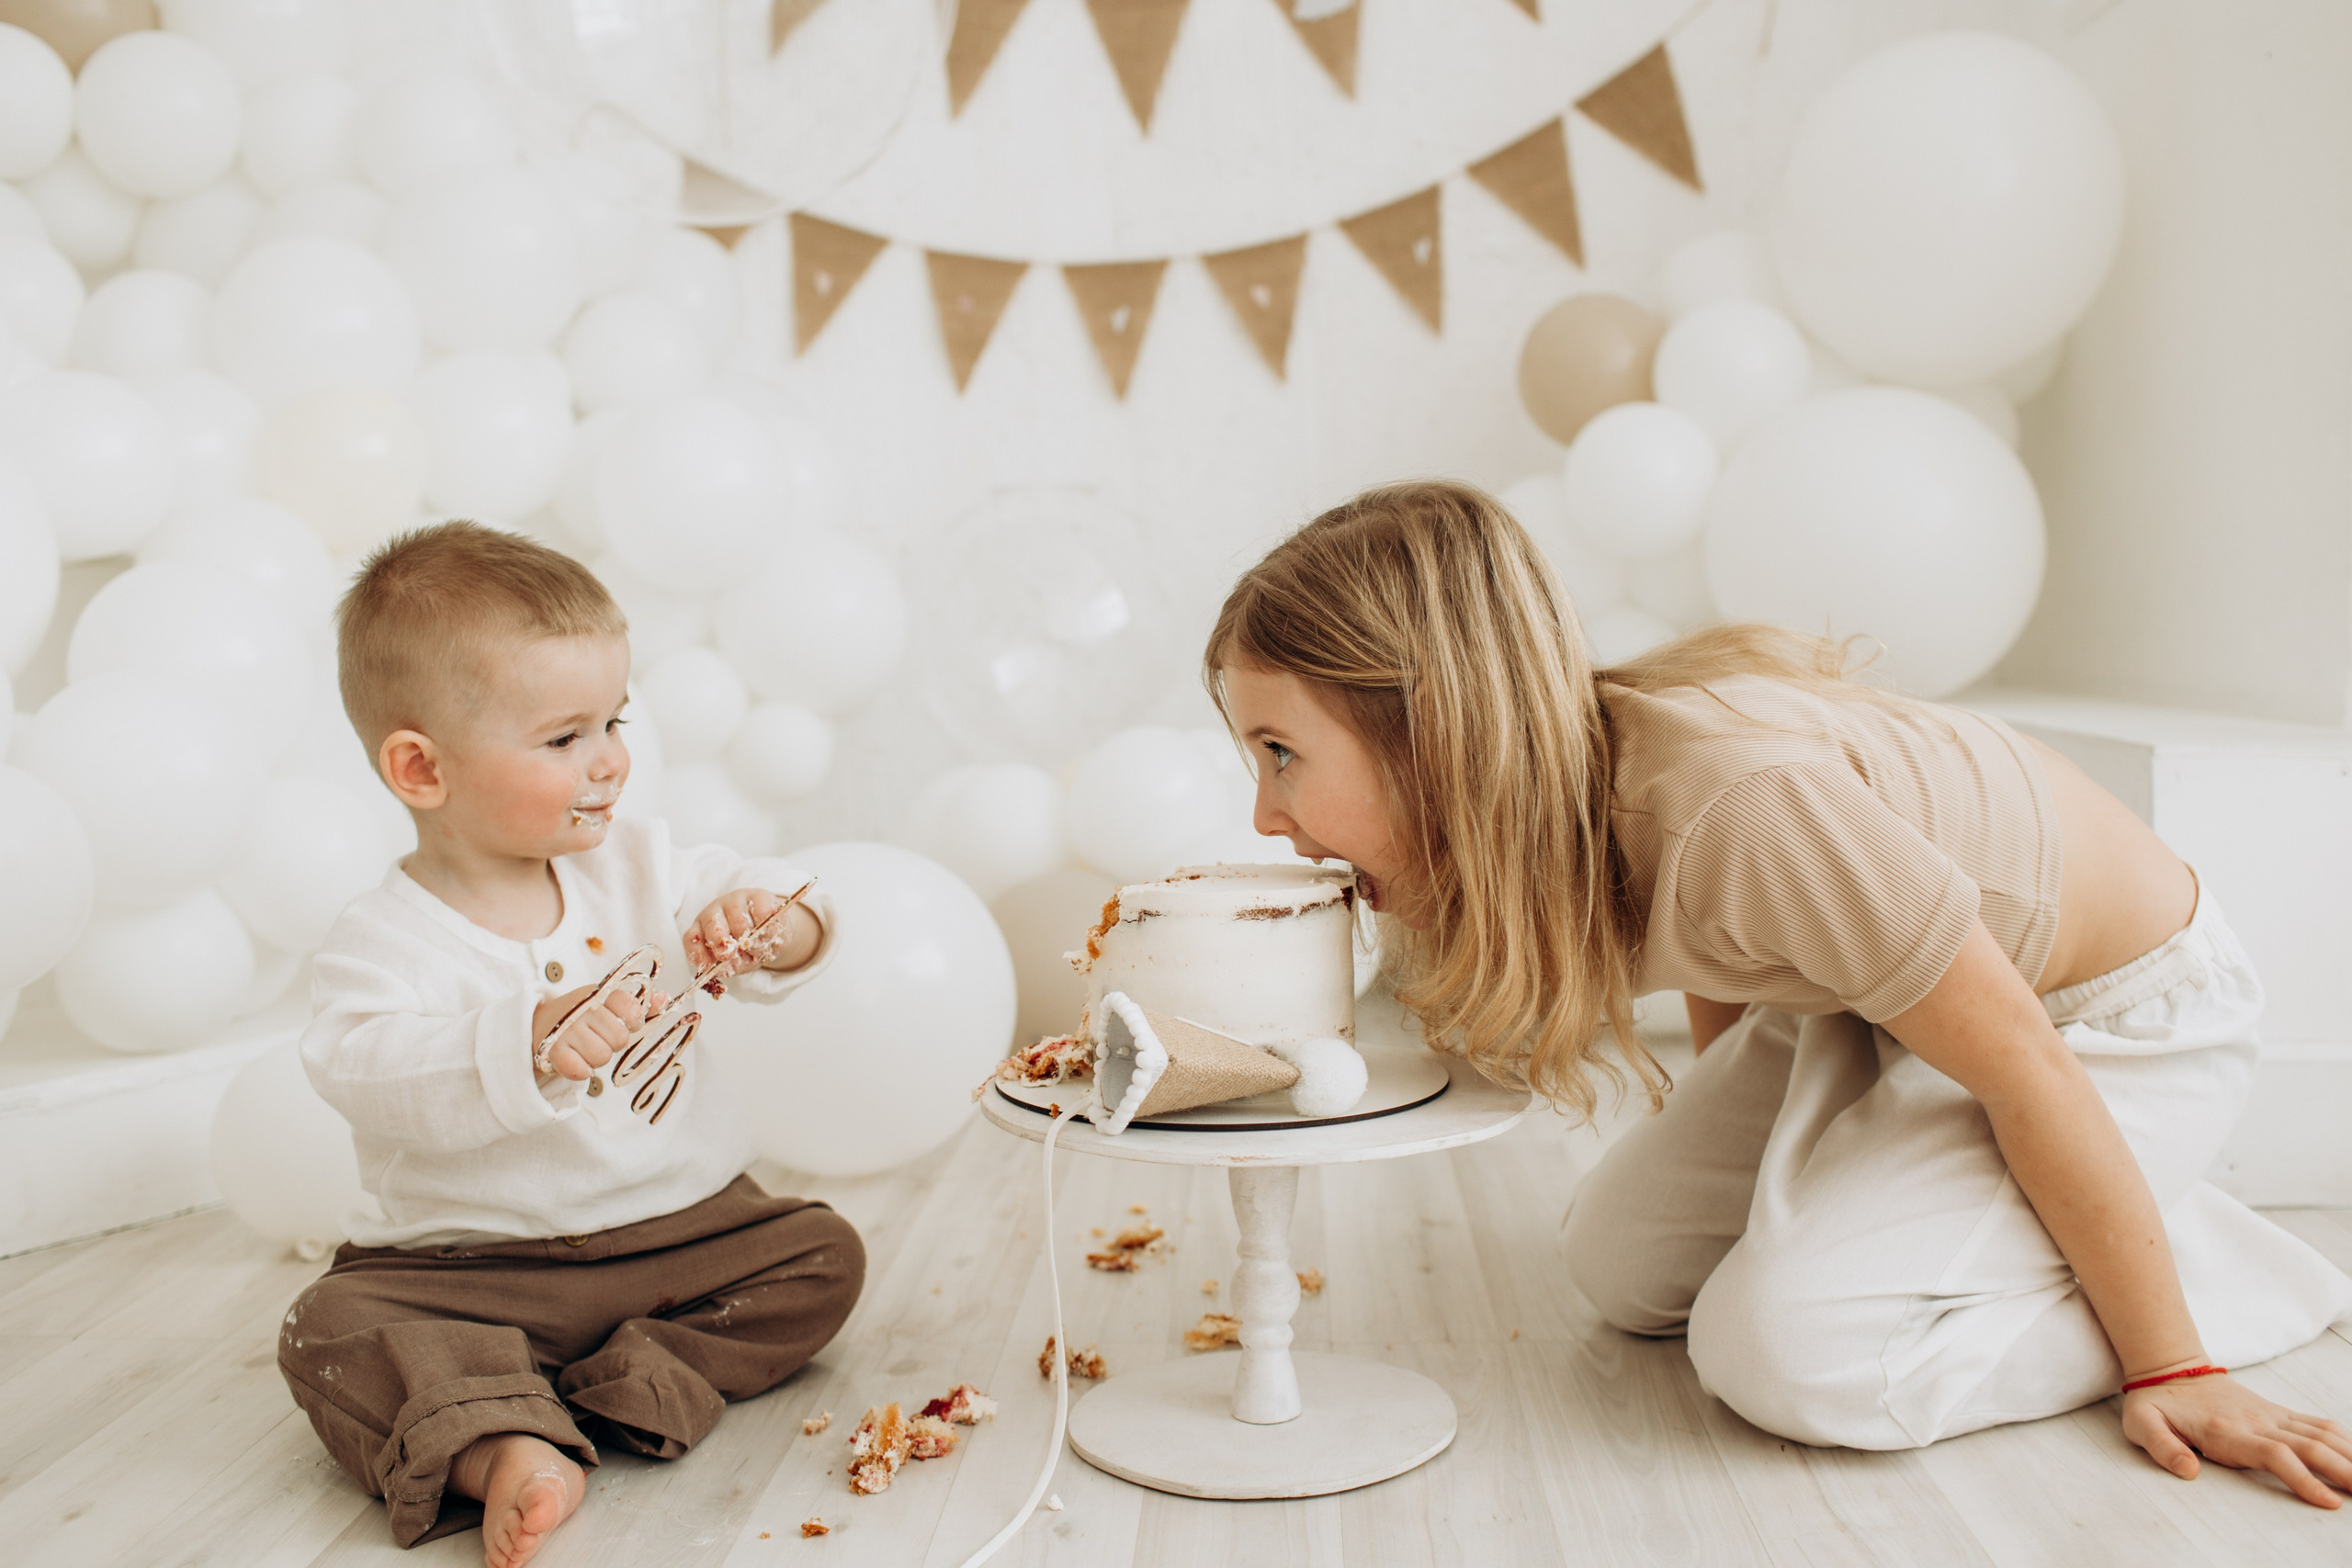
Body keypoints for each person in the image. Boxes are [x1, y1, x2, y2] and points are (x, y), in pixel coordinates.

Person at [1204, 479, 2352, 1505]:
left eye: (1280, 752)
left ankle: (2205, 1285)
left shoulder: (1735, 804)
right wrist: (1750, 1155)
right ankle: (2041, 1223)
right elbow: (1723, 952)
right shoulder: (1562, 793)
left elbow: (2022, 1063)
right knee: (1620, 1261)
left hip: (2108, 1022)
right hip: (1881, 1016)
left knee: (1785, 1354)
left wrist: (2171, 1369)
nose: (1264, 812)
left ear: (1428, 732)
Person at [279, 522, 863, 1568]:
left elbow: (768, 894)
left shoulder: (638, 863)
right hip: (473, 1267)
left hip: (684, 1239)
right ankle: (504, 1442)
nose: (609, 762)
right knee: (329, 1326)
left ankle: (642, 1374)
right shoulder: (382, 942)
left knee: (822, 1256)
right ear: (421, 768)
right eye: (564, 739)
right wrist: (525, 1042)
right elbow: (361, 1071)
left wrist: (772, 921)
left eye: (614, 720)